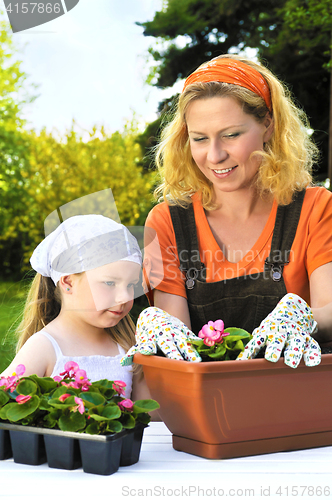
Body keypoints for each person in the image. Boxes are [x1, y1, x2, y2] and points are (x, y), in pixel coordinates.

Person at [122, 54, 332, 369]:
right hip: (207, 401)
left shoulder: (315, 208)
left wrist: (304, 317)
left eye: (231, 135)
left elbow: (329, 306)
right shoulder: (167, 222)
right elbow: (178, 354)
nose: (215, 155)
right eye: (200, 139)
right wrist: (157, 322)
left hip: (300, 395)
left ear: (267, 125)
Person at [1, 214, 155, 403]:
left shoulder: (127, 345)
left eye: (131, 285)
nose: (125, 296)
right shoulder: (45, 348)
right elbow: (5, 402)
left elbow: (150, 416)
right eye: (109, 283)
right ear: (68, 282)